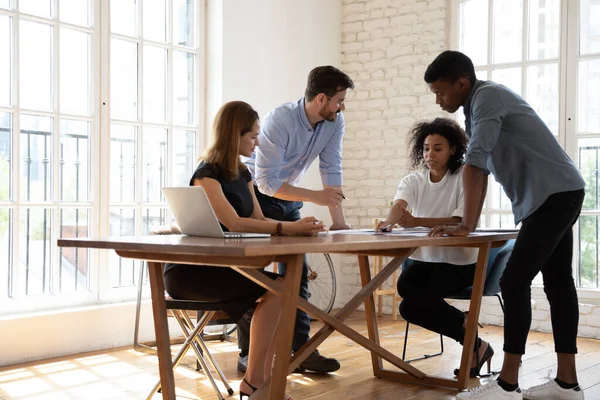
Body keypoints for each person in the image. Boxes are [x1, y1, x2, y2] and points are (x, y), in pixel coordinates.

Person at [423, 51, 586, 400]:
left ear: (462, 83)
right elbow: (480, 162)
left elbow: (476, 163)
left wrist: (466, 223)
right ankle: (567, 384)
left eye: (441, 92)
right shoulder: (476, 106)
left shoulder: (487, 97)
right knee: (558, 283)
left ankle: (508, 385)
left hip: (553, 194)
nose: (438, 100)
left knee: (514, 281)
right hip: (557, 192)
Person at [163, 101, 325, 399]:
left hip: (224, 269)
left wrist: (300, 228)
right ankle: (256, 382)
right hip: (192, 273)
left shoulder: (242, 173)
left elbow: (258, 220)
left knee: (280, 288)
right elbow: (234, 222)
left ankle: (255, 381)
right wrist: (291, 228)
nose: (258, 141)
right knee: (278, 289)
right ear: (234, 135)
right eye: (252, 135)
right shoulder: (206, 174)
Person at [236, 65, 355, 374]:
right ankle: (247, 354)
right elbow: (266, 182)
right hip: (257, 197)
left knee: (297, 275)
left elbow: (332, 167)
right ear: (320, 98)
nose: (342, 106)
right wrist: (315, 197)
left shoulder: (334, 121)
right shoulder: (280, 120)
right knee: (254, 276)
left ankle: (300, 352)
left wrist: (339, 221)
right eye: (339, 100)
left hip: (289, 197)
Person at [377, 117, 493, 378]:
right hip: (426, 260)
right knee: (407, 304)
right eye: (427, 148)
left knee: (410, 295)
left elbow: (460, 220)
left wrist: (416, 221)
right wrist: (388, 223)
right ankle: (474, 341)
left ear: (453, 149)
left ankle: (467, 329)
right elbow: (399, 205)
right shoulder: (414, 179)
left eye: (437, 148)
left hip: (461, 264)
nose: (430, 154)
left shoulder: (465, 176)